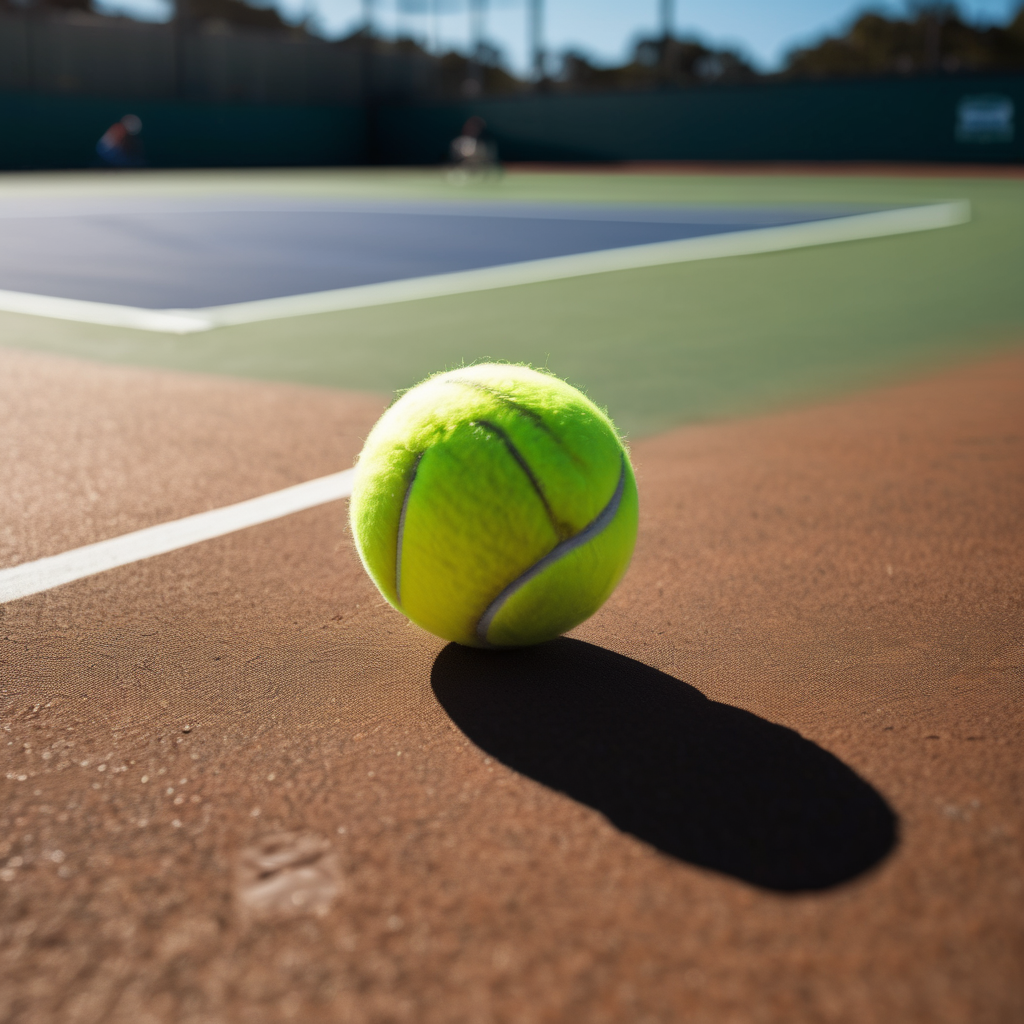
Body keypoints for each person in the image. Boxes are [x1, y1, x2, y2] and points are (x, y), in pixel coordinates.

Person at [447, 115, 500, 181]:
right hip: (465, 163)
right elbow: (457, 155)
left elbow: (489, 156)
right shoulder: (459, 142)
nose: (473, 129)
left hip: (482, 163)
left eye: (476, 127)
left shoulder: (485, 142)